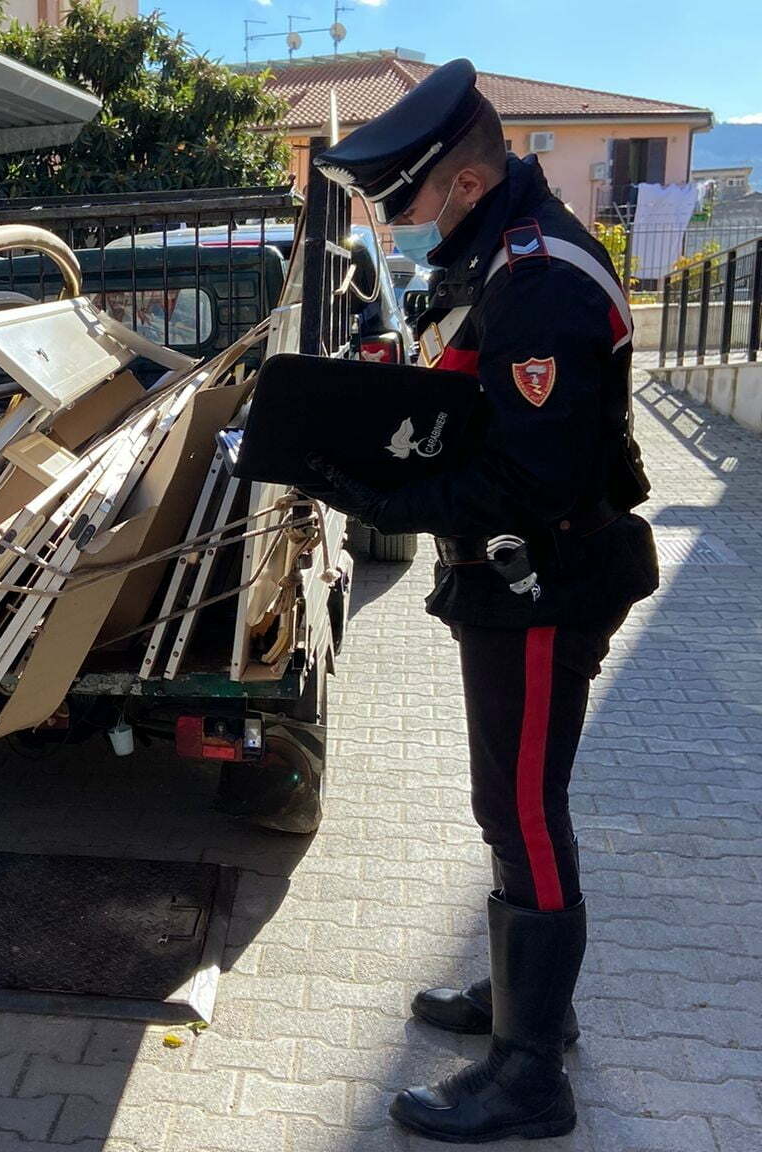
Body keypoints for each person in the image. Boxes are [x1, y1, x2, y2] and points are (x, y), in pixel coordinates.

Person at [302, 60, 660, 1142]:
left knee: (526, 815)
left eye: (401, 201)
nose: (395, 222)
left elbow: (537, 480)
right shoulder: (498, 257)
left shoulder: (539, 278)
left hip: (544, 582)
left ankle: (532, 1072)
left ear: (457, 185)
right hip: (508, 580)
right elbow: (471, 414)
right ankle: (523, 1003)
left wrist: (383, 496)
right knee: (504, 803)